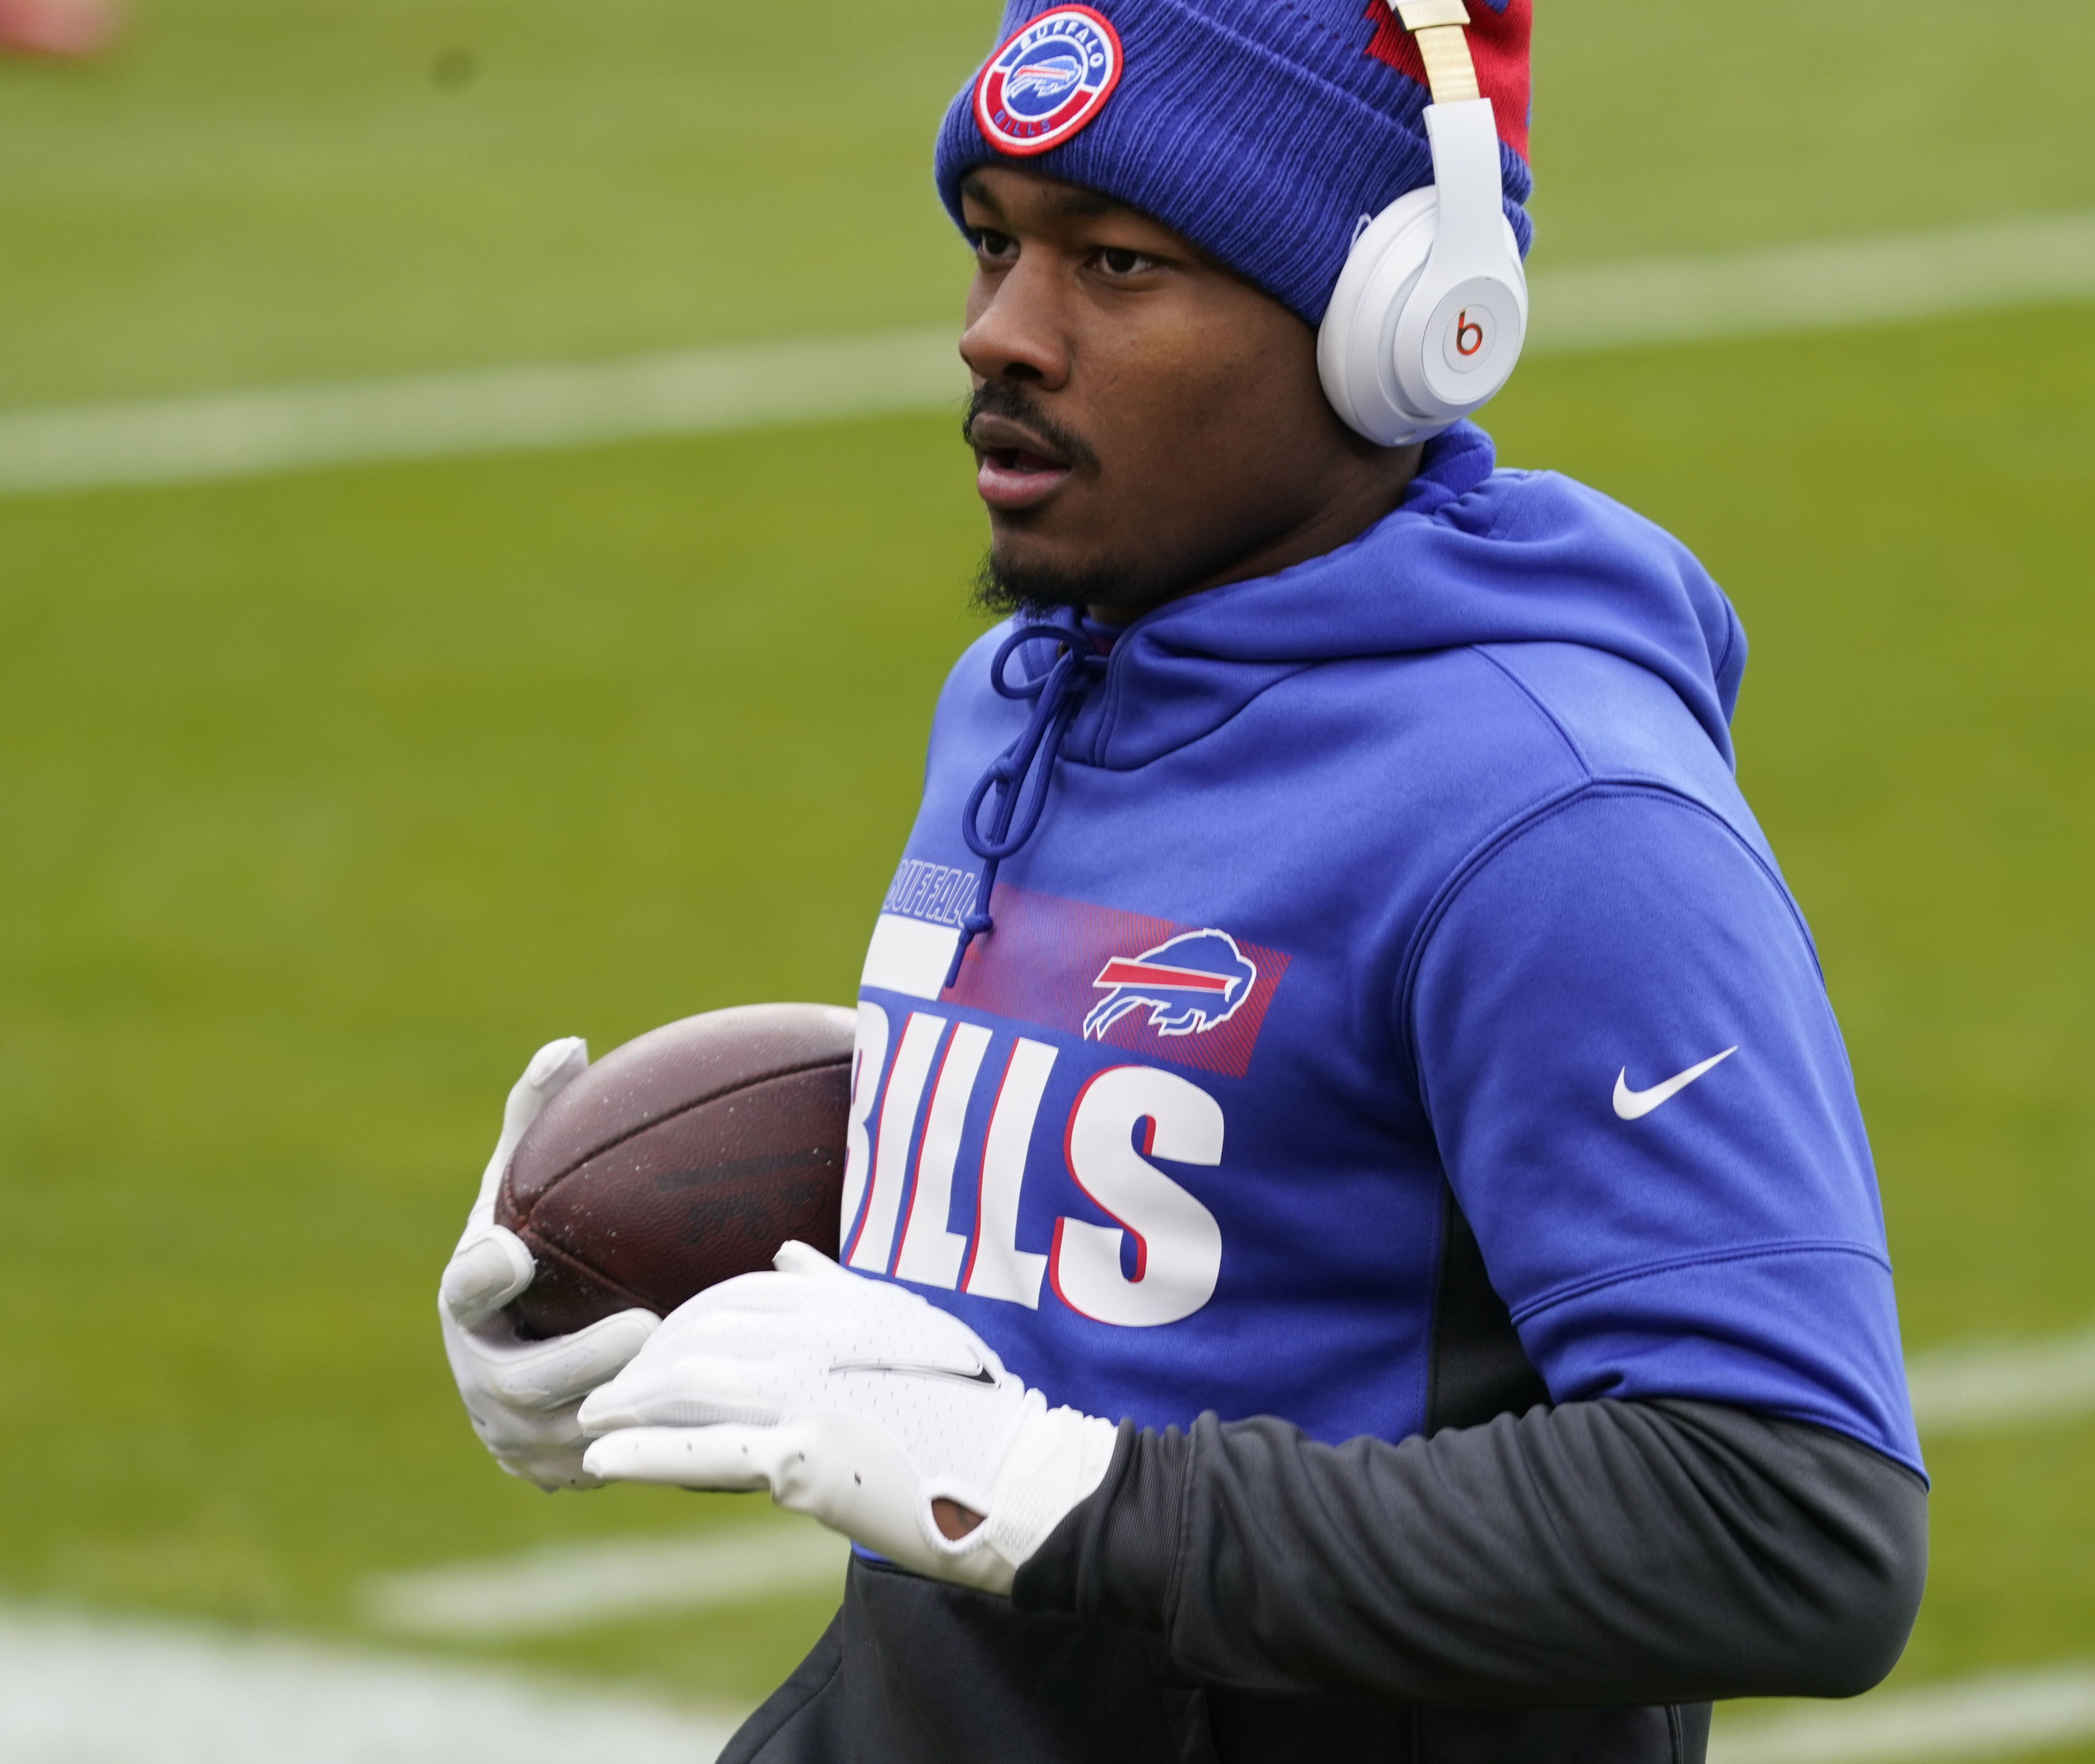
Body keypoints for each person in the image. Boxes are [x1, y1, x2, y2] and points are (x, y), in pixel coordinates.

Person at [438, 4, 1928, 1760]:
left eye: (1118, 261)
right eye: (994, 240)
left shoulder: (1558, 810)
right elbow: (1217, 1208)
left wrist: (1055, 1492)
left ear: (1405, 330)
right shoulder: (1027, 689)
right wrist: (635, 1293)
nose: (1002, 332)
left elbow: (1791, 1522)